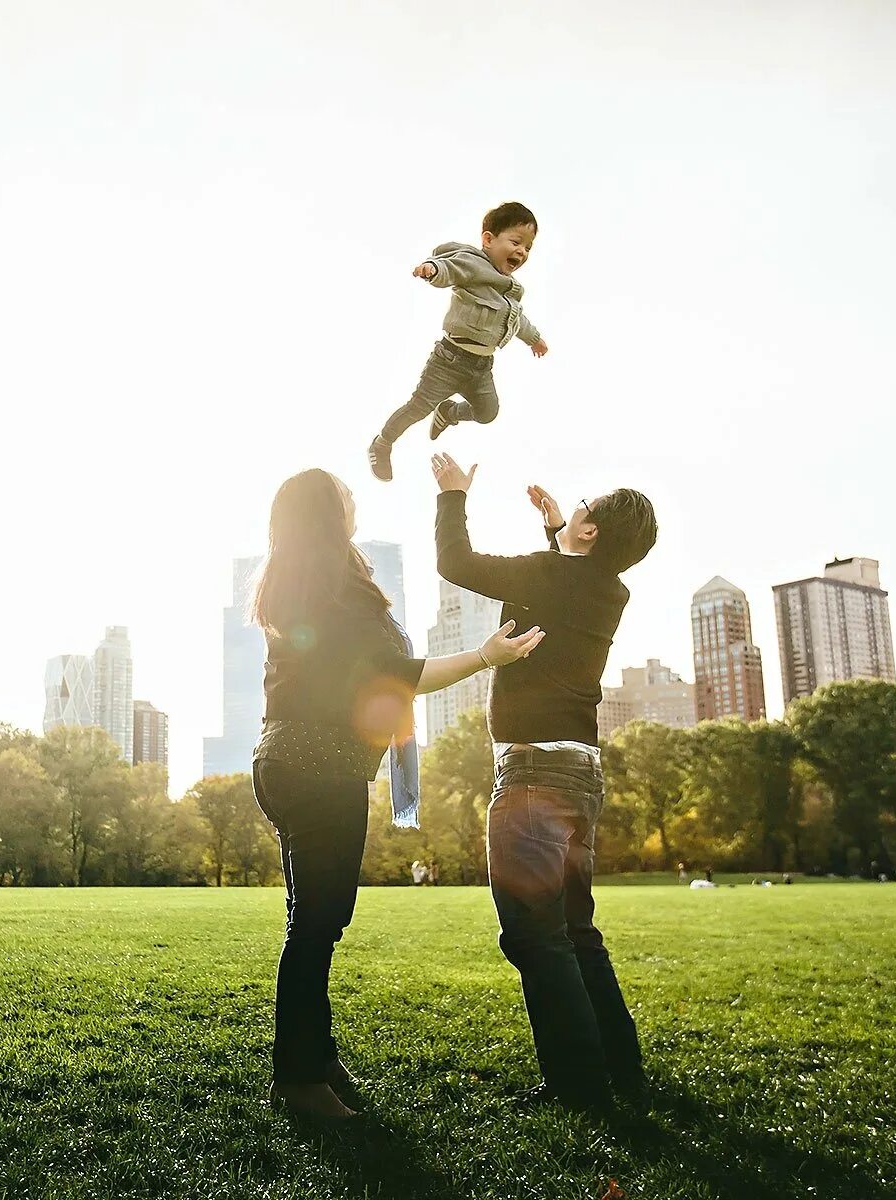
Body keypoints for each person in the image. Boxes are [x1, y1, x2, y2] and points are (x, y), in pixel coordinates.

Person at [251, 467, 544, 1122]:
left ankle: (315, 1056)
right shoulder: (339, 598)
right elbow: (404, 676)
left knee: (311, 922)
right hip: (321, 772)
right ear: (329, 516)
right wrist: (485, 658)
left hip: (280, 764)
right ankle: (298, 1081)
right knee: (317, 927)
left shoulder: (296, 588)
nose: (355, 501)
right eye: (345, 496)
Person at [431, 450, 657, 1110]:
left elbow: (456, 563)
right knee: (575, 930)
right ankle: (621, 1071)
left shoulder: (553, 575)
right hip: (582, 772)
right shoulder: (609, 589)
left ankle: (579, 1087)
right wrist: (559, 530)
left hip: (533, 775)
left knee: (533, 934)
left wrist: (451, 496)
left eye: (585, 506)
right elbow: (564, 586)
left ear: (588, 534)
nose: (576, 506)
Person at [367, 202, 548, 483]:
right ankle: (382, 443)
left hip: (481, 368)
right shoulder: (474, 263)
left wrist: (534, 338)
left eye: (528, 248)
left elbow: (517, 321)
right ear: (488, 240)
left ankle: (449, 412)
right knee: (417, 407)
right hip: (448, 361)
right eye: (515, 242)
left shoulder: (508, 291)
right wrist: (432, 270)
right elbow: (450, 268)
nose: (521, 252)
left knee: (488, 412)